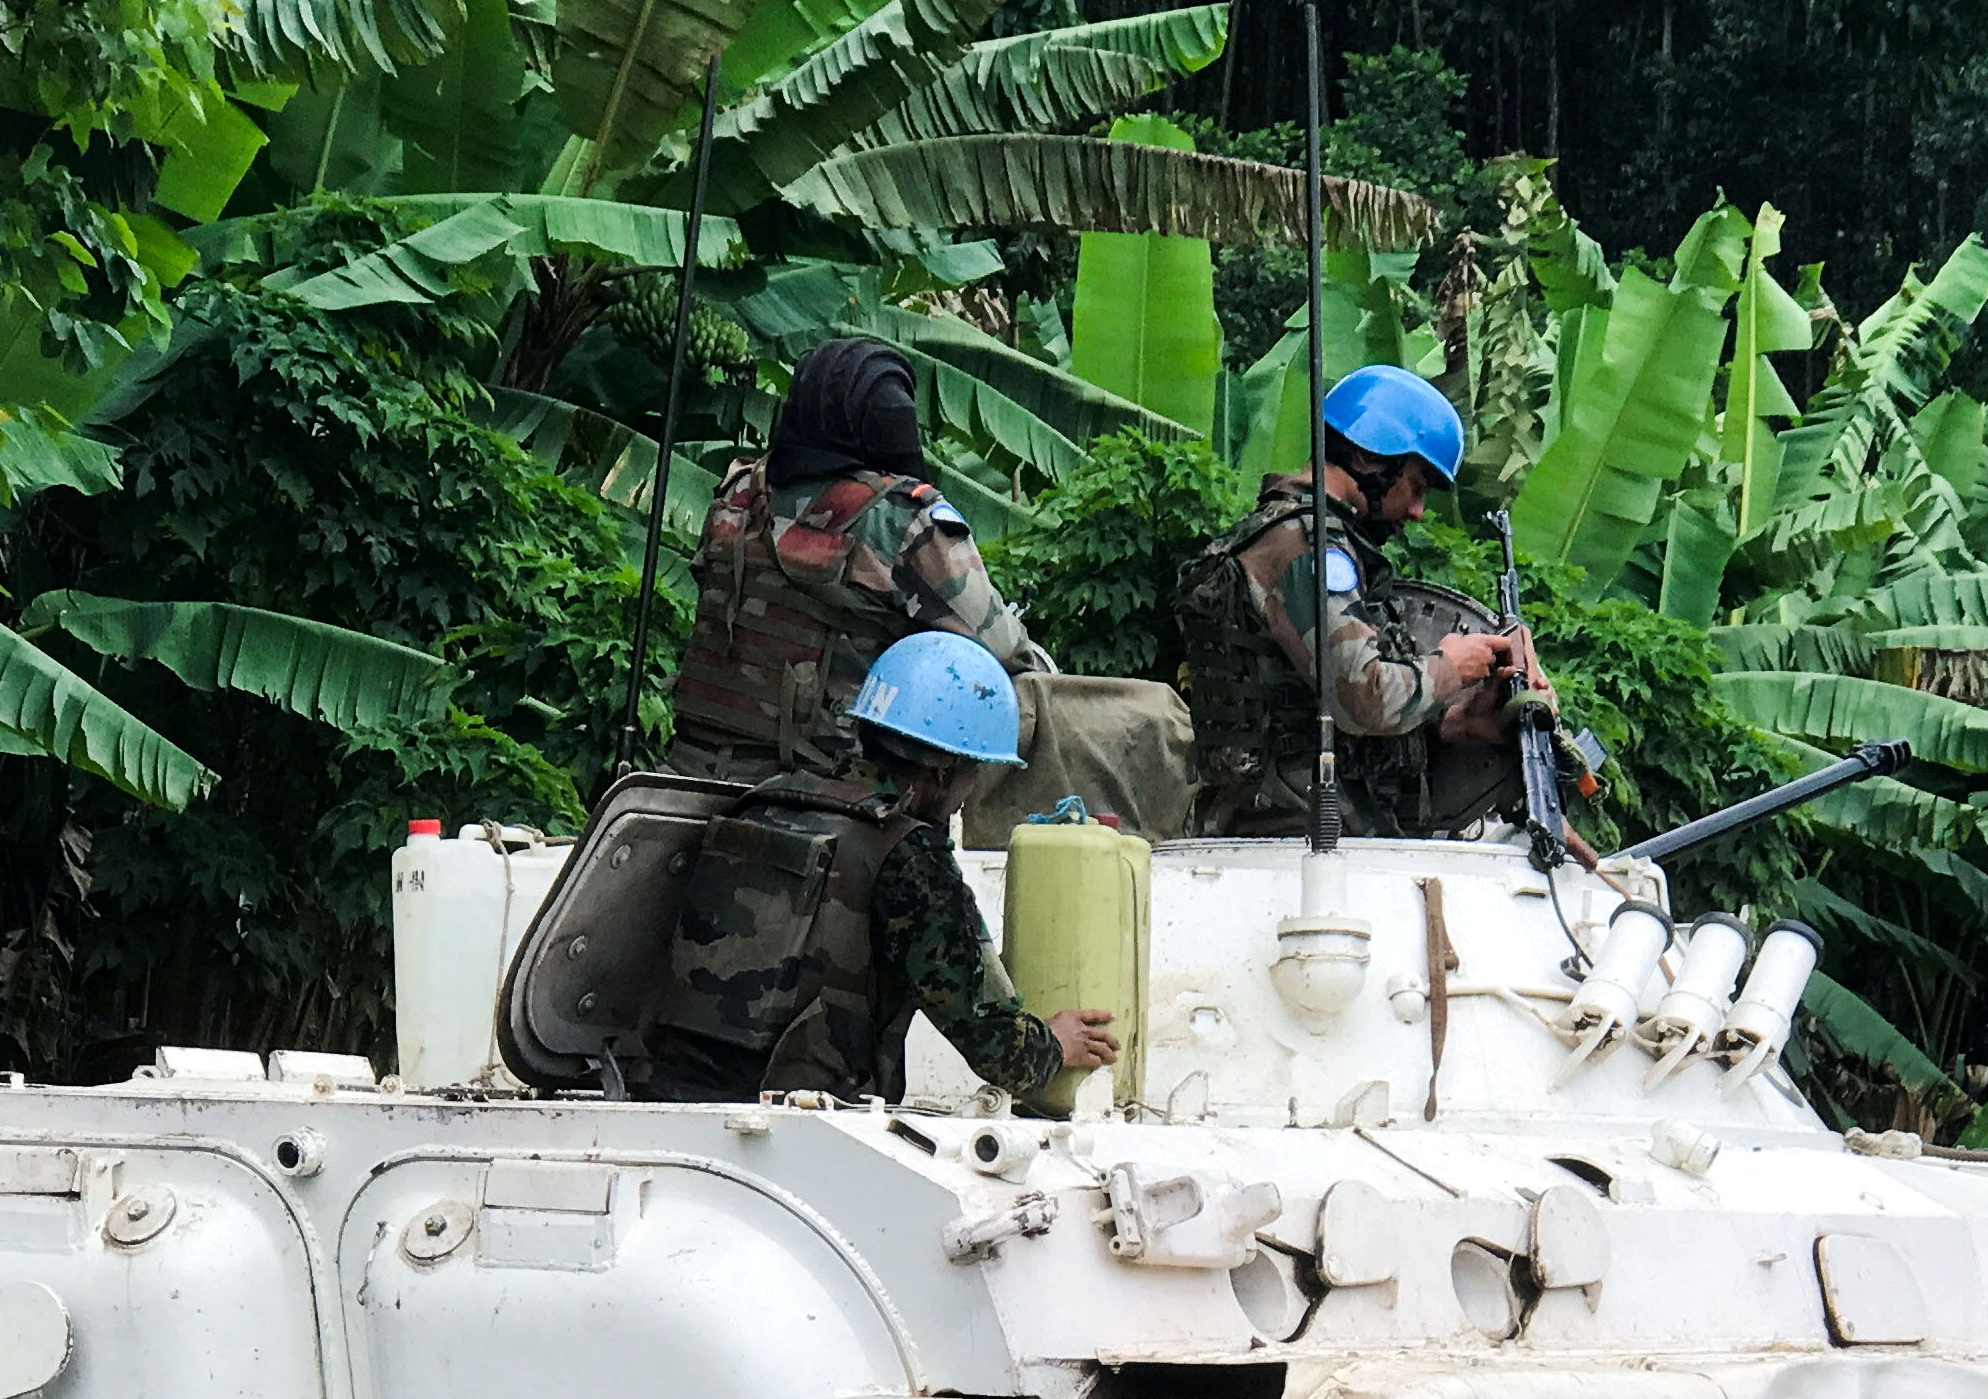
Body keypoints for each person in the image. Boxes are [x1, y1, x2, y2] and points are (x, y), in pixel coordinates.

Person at [646, 633, 1118, 1103]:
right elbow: (996, 1045)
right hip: (798, 1125)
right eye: (976, 772)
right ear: (943, 772)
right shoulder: (906, 855)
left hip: (666, 1094)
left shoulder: (767, 800)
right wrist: (1053, 1044)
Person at [1178, 364, 1551, 837]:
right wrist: (1452, 666)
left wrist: (1460, 721)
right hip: (1295, 838)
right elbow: (1362, 698)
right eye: (1415, 486)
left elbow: (1314, 714)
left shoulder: (1308, 539)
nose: (1416, 511)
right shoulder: (1306, 546)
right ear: (1369, 457)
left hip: (1309, 831)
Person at [664, 337, 1051, 782]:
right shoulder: (901, 519)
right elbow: (1002, 648)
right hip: (823, 783)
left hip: (688, 766)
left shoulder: (741, 490)